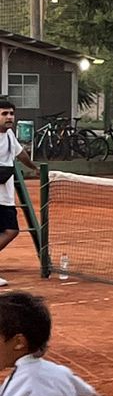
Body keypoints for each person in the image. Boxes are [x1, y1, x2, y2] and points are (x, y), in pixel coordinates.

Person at [0, 99, 38, 289]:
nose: (9, 117)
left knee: (11, 230)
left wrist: (34, 168)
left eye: (11, 114)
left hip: (5, 196)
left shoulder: (9, 135)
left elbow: (21, 153)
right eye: (4, 114)